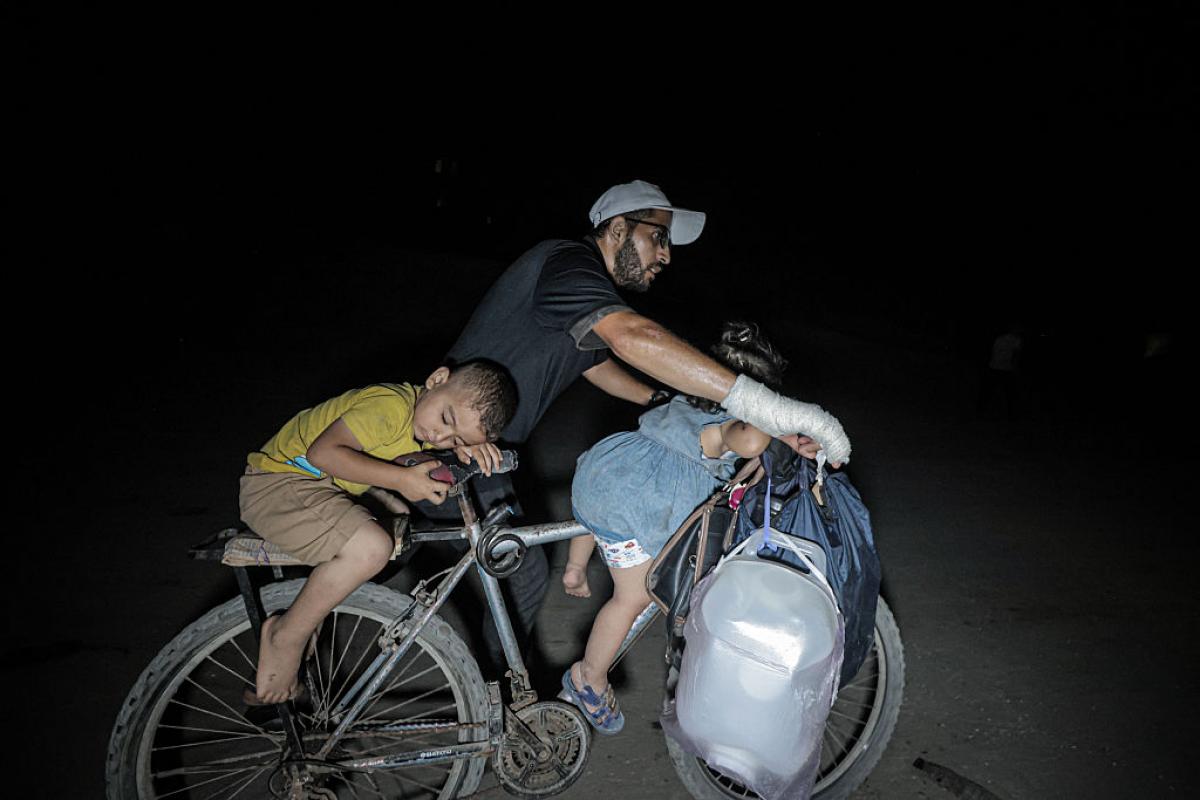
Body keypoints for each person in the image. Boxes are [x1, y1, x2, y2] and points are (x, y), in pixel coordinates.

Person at [433, 179, 851, 673]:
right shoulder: (566, 263)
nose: (666, 255)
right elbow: (631, 335)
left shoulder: (578, 289)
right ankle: (495, 700)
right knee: (517, 575)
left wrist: (670, 400)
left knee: (514, 565)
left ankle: (496, 690)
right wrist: (770, 407)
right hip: (445, 440)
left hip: (486, 450)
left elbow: (594, 365)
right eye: (659, 237)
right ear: (617, 229)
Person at [558, 322, 802, 733]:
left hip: (606, 470)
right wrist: (773, 414)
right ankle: (589, 677)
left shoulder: (684, 399)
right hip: (635, 498)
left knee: (598, 516)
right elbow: (751, 443)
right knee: (631, 597)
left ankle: (575, 566)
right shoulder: (728, 424)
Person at [238, 362, 517, 704]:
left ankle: (309, 614)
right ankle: (286, 636)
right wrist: (401, 480)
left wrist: (461, 449)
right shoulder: (389, 406)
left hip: (314, 485)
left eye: (455, 438)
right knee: (371, 548)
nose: (439, 437)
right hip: (275, 485)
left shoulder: (419, 419)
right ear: (436, 379)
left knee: (397, 519)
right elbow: (322, 454)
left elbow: (399, 450)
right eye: (446, 419)